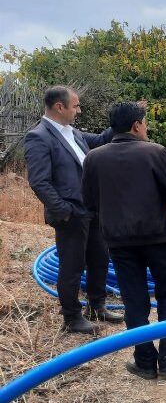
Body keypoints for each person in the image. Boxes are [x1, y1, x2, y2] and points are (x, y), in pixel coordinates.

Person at [81, 102, 166, 379]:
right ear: (137, 125)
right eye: (145, 123)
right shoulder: (155, 152)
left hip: (118, 241)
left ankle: (143, 360)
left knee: (133, 298)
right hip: (158, 237)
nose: (146, 127)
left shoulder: (94, 158)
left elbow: (89, 201)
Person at [24, 85, 124, 333]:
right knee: (72, 266)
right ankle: (72, 317)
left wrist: (123, 120)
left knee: (99, 259)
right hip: (71, 215)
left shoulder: (72, 132)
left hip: (91, 211)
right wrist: (64, 211)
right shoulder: (39, 136)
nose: (78, 110)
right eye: (76, 106)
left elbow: (101, 140)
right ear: (60, 107)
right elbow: (39, 181)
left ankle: (96, 306)